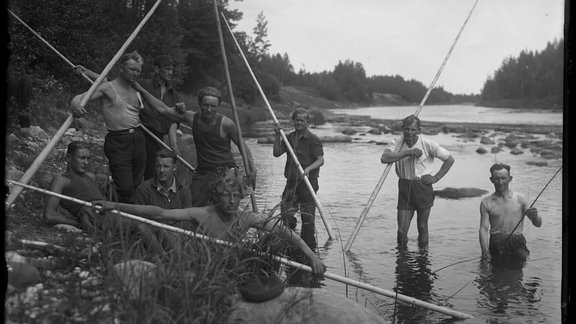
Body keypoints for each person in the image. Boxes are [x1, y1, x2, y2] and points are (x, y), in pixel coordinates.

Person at [95, 171, 326, 275]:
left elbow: (286, 232)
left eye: (236, 196)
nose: (232, 201)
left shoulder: (245, 218)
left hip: (232, 266)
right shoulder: (202, 213)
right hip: (203, 267)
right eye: (227, 196)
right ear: (217, 197)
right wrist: (116, 206)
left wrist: (313, 256)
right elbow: (161, 213)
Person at [70, 51, 176, 203]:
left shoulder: (136, 88)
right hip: (118, 141)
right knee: (124, 186)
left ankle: (122, 215)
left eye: (138, 70)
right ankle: (105, 201)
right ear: (121, 68)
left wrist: (177, 111)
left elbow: (162, 108)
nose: (135, 73)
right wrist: (76, 106)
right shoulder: (108, 88)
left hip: (139, 139)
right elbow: (79, 98)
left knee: (135, 185)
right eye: (132, 69)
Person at [134, 85, 256, 207]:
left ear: (218, 106)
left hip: (225, 174)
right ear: (199, 104)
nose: (209, 109)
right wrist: (141, 89)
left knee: (224, 208)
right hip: (203, 173)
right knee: (195, 207)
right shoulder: (192, 118)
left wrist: (252, 168)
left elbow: (242, 145)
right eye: (205, 105)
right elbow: (163, 110)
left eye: (213, 106)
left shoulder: (226, 124)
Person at [380, 114, 454, 247]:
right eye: (407, 129)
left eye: (413, 130)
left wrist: (436, 178)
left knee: (422, 225)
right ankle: (402, 257)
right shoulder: (396, 142)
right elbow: (384, 158)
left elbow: (449, 159)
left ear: (419, 130)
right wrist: (407, 153)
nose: (409, 133)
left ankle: (423, 257)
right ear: (402, 128)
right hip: (404, 186)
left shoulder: (428, 144)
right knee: (402, 230)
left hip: (422, 187)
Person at [272, 107, 324, 252]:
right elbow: (276, 153)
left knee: (308, 221)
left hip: (308, 184)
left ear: (307, 122)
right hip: (291, 183)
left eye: (302, 120)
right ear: (293, 121)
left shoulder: (313, 139)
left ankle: (308, 252)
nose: (299, 123)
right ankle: (291, 244)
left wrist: (308, 169)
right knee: (285, 215)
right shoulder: (288, 137)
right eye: (297, 120)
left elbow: (320, 160)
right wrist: (278, 136)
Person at [479, 163, 542, 263]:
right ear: (491, 180)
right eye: (497, 178)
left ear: (510, 178)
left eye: (504, 178)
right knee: (496, 275)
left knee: (516, 274)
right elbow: (483, 228)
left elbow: (538, 224)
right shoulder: (486, 202)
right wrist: (485, 251)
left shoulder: (521, 198)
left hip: (517, 242)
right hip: (496, 242)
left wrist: (535, 216)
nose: (500, 182)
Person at [43, 141, 105, 230]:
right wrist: (81, 223)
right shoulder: (62, 180)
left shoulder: (91, 176)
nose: (86, 162)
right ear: (69, 158)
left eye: (88, 158)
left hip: (106, 210)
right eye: (82, 158)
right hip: (93, 216)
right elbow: (49, 216)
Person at [139, 55, 182, 180]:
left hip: (158, 139)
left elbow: (173, 122)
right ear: (157, 69)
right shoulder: (144, 84)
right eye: (167, 69)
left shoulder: (174, 95)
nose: (170, 72)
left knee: (152, 174)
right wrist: (87, 73)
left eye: (172, 70)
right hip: (140, 133)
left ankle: (148, 198)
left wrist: (173, 144)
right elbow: (116, 83)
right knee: (136, 172)